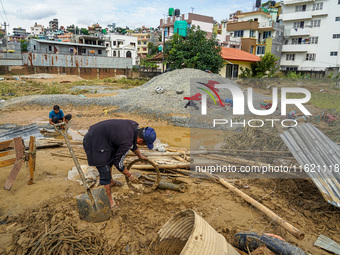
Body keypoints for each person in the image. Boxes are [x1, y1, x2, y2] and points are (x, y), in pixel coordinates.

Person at [83, 119, 156, 209]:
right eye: (145, 144)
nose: (144, 146)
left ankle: (111, 182)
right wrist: (129, 175)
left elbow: (133, 144)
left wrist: (140, 156)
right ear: (141, 140)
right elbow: (118, 163)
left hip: (102, 137)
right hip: (94, 141)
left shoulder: (135, 127)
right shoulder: (126, 141)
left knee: (110, 159)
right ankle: (110, 201)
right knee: (104, 169)